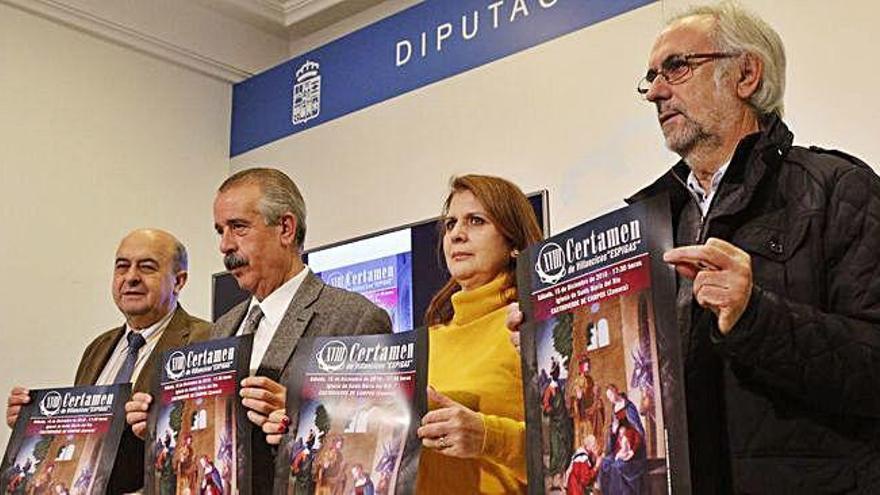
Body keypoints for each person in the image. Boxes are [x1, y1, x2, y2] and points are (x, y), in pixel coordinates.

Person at [625, 2, 880, 492]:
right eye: (651, 76)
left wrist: (754, 315)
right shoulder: (651, 222)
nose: (656, 91)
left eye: (676, 67)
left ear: (745, 74)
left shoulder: (837, 189)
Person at [127, 168, 392, 493]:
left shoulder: (356, 318)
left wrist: (299, 413)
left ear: (285, 228)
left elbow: (373, 435)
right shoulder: (223, 327)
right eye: (220, 231)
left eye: (238, 227)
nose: (225, 245)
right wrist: (160, 423)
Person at [4, 229, 211, 494]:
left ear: (178, 281)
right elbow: (81, 436)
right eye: (122, 266)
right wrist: (31, 426)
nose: (131, 277)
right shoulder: (98, 348)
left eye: (147, 267)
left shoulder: (205, 339)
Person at [415, 174, 543, 493]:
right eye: (450, 224)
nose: (457, 234)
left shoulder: (529, 327)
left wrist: (488, 436)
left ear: (513, 244)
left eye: (475, 221)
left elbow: (572, 449)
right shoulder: (427, 340)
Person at [598, 384, 646, 495]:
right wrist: (613, 431)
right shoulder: (614, 409)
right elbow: (613, 434)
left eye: (610, 395)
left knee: (617, 467)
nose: (609, 399)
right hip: (619, 445)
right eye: (608, 397)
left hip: (634, 448)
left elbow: (638, 432)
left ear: (615, 391)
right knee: (605, 463)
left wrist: (632, 451)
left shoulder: (629, 407)